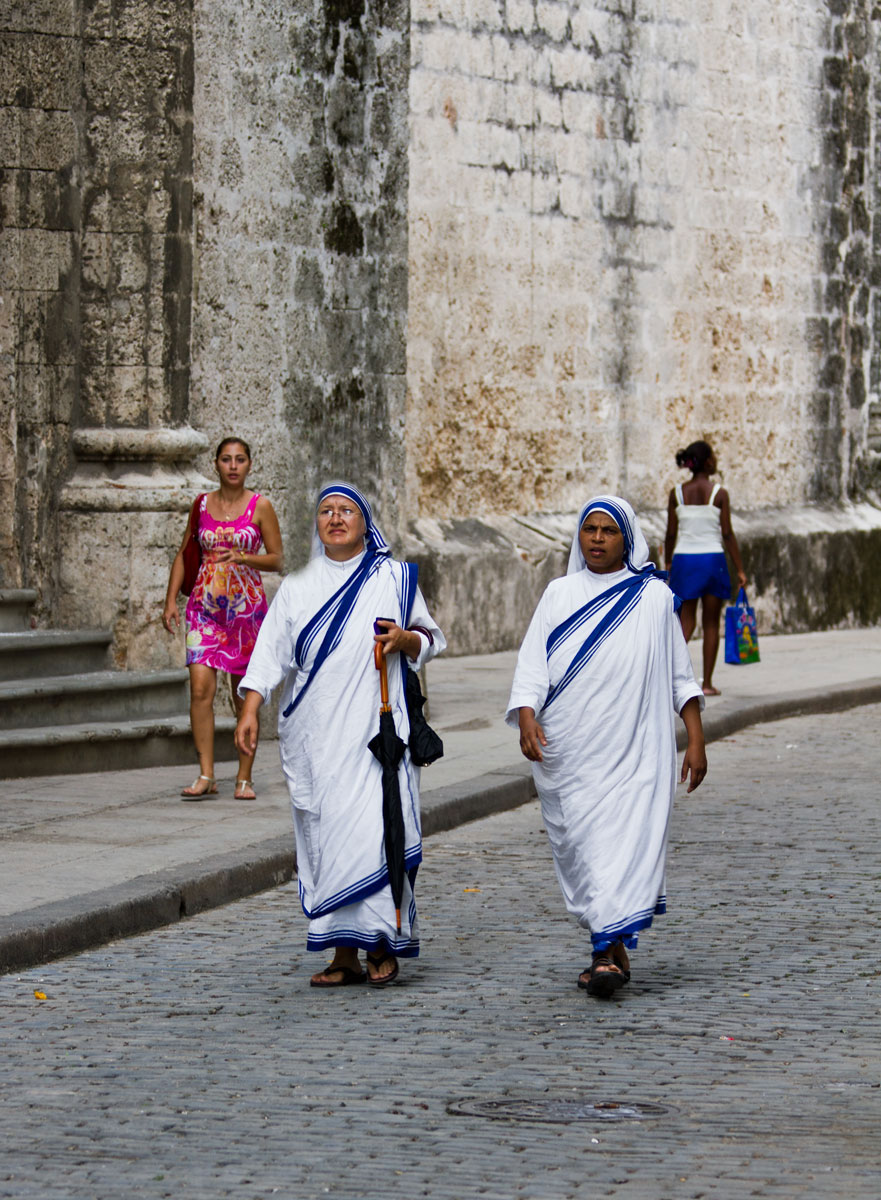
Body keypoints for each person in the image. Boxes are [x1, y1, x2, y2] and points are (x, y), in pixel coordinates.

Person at [234, 483, 446, 988]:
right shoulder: (298, 587)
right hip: (317, 737)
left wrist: (404, 639)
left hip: (377, 737)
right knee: (329, 839)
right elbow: (269, 655)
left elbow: (431, 638)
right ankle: (343, 953)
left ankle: (381, 945)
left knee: (374, 833)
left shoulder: (394, 578)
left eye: (345, 510)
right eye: (326, 510)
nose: (335, 518)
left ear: (364, 523)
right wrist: (250, 709)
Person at [507, 496, 706, 998]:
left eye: (608, 531)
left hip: (635, 751)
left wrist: (696, 739)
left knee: (622, 844)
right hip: (571, 751)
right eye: (589, 529)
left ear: (627, 539)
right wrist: (527, 716)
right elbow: (532, 665)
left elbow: (680, 676)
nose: (597, 538)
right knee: (586, 847)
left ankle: (603, 951)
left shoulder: (654, 598)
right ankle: (612, 947)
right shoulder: (559, 593)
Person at [163, 437, 282, 800]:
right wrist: (171, 600)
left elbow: (277, 558)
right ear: (215, 464)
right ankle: (206, 774)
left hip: (246, 613)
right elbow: (185, 553)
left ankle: (244, 777)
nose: (233, 466)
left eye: (240, 459)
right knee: (200, 688)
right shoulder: (201, 505)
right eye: (226, 459)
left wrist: (244, 557)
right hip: (204, 609)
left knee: (243, 694)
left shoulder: (261, 506)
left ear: (249, 465)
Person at [664, 440, 747, 696]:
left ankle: (666, 677)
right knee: (710, 623)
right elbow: (727, 533)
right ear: (708, 461)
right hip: (712, 560)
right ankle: (707, 683)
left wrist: (668, 562)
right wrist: (740, 569)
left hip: (684, 560)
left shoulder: (677, 493)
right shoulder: (719, 493)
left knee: (685, 621)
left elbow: (670, 533)